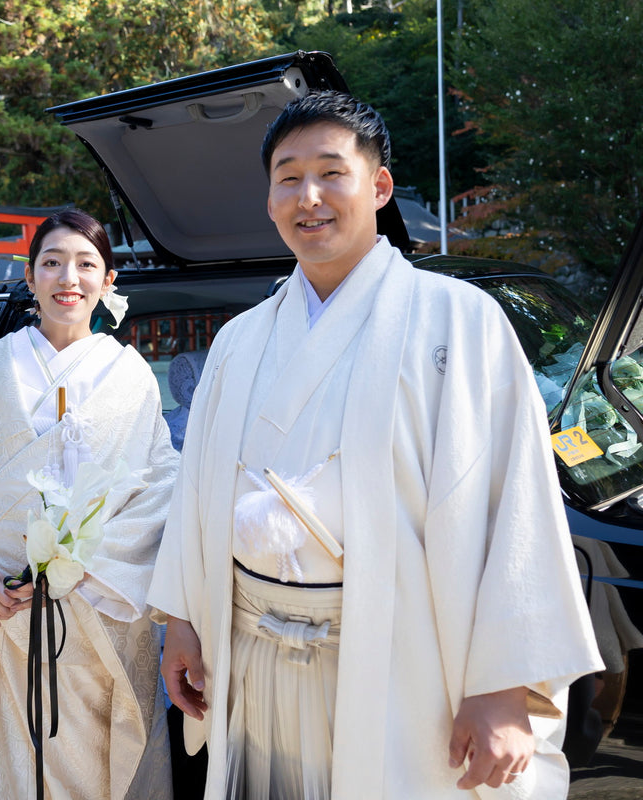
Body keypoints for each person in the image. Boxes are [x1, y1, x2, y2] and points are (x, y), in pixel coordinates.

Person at [147, 90, 603, 799]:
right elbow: (197, 495)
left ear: (379, 186)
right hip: (252, 651)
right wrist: (182, 621)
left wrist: (505, 684)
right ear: (269, 198)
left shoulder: (458, 321)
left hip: (403, 660)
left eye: (332, 172)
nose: (310, 196)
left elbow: (517, 506)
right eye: (288, 177)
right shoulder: (239, 342)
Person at [0, 208, 179, 800]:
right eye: (52, 262)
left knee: (91, 766)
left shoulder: (132, 377)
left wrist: (82, 566)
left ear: (108, 281)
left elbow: (160, 487)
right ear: (30, 276)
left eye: (85, 264)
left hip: (93, 608)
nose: (67, 277)